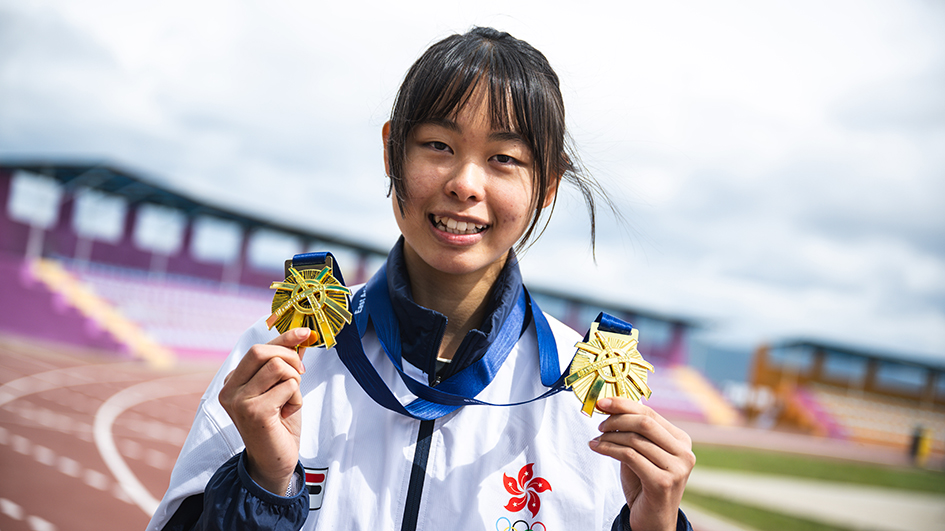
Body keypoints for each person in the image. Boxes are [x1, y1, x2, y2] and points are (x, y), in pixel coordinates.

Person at [148, 26, 695, 531]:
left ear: (546, 187)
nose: (464, 183)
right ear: (392, 151)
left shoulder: (588, 399)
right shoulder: (283, 358)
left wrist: (655, 526)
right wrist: (262, 483)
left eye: (504, 158)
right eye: (439, 146)